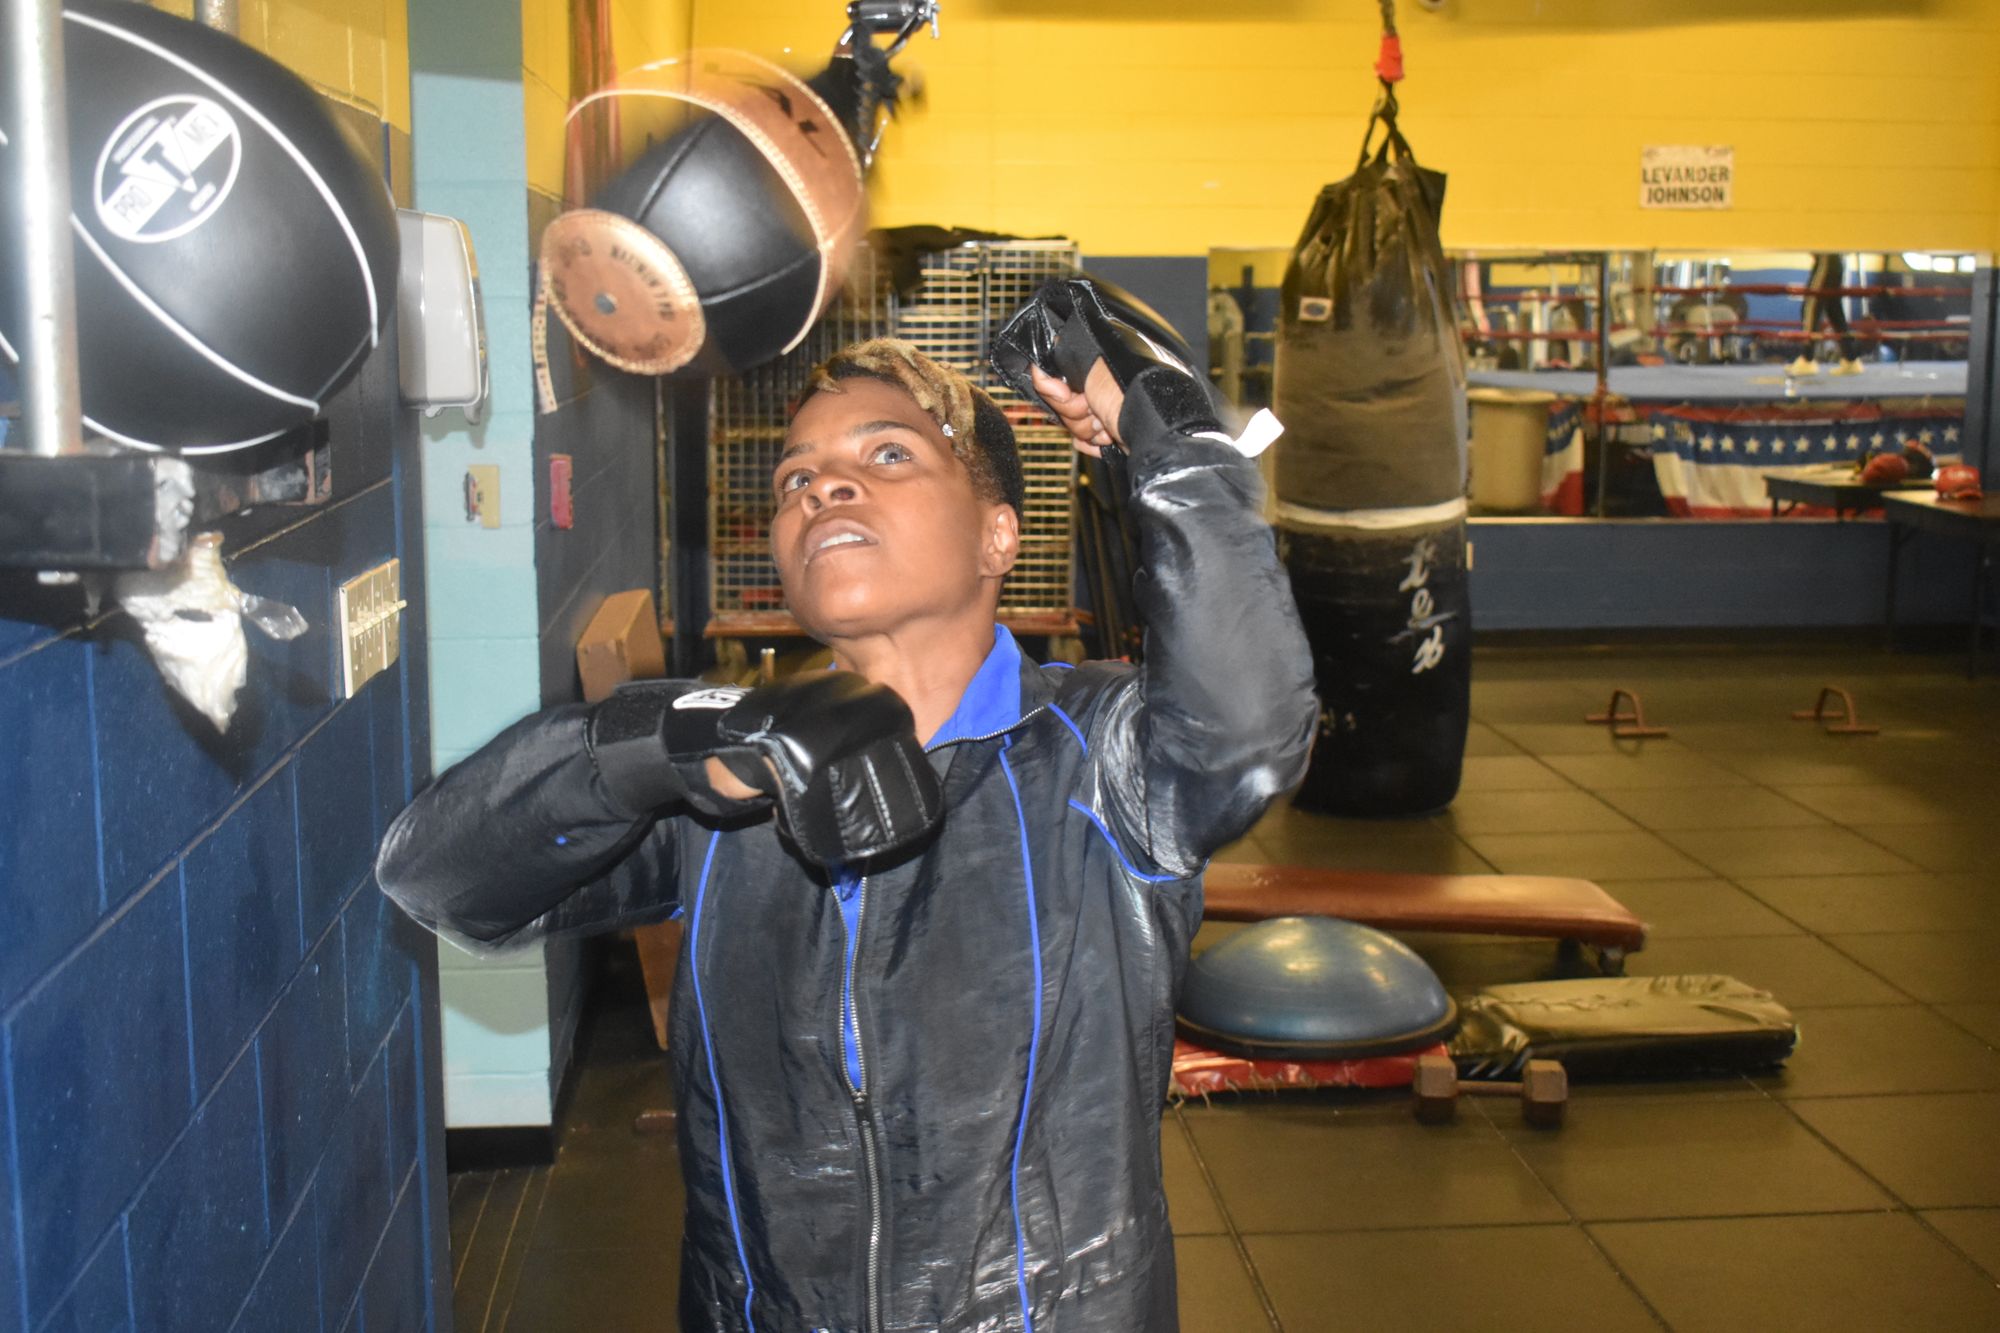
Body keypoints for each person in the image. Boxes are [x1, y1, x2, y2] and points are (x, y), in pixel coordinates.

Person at [375, 285, 1316, 1332]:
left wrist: (1165, 430)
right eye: (796, 478)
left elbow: (1249, 729)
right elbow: (438, 874)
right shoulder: (724, 785)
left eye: (888, 455)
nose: (822, 487)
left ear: (997, 535)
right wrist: (672, 743)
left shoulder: (1099, 759)